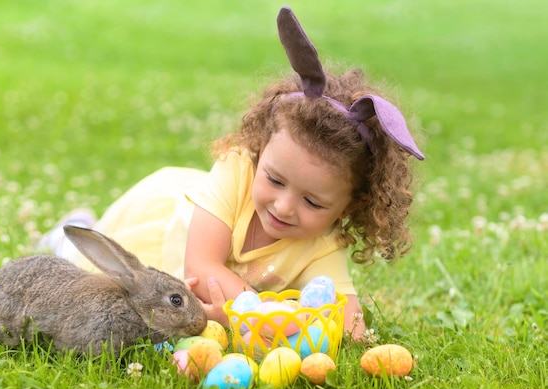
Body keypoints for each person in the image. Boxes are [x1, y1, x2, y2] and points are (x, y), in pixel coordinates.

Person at [37, 7, 425, 341]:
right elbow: (201, 267)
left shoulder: (325, 243)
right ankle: (69, 229)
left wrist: (294, 322)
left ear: (347, 207)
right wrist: (271, 317)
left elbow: (351, 324)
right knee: (89, 266)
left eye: (312, 201)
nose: (285, 206)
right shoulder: (237, 170)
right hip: (164, 225)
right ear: (259, 152)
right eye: (274, 180)